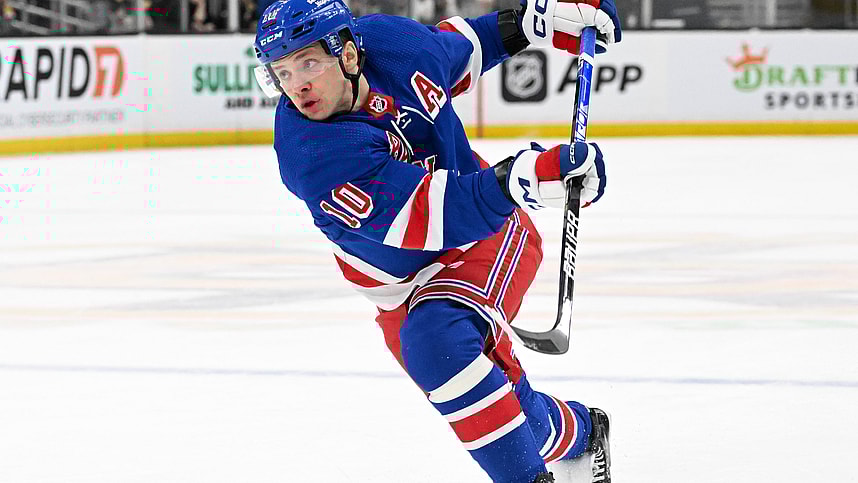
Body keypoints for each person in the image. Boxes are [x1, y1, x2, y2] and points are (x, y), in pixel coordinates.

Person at [253, 0, 621, 481]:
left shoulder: (392, 44)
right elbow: (433, 215)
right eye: (281, 72)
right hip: (404, 284)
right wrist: (521, 179)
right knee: (503, 411)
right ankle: (584, 432)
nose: (296, 84)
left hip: (486, 236)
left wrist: (535, 21)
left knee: (437, 342)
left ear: (348, 54)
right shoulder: (312, 154)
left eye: (308, 63)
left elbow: (460, 50)